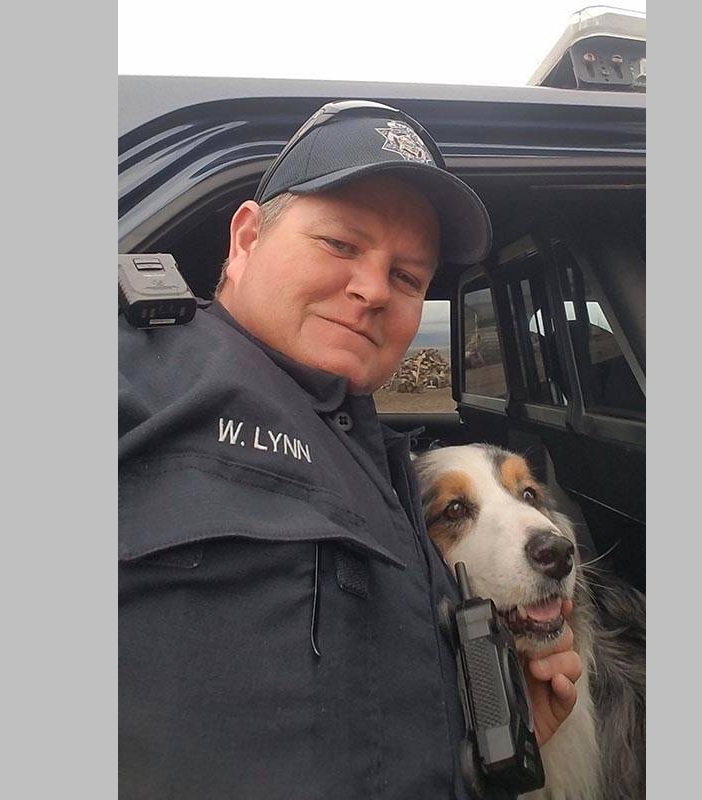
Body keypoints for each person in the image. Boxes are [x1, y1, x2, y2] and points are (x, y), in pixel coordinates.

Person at [119, 100, 583, 799]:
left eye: (406, 277)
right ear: (245, 239)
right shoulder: (139, 376)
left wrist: (485, 758)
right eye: (340, 244)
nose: (371, 290)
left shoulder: (393, 475)